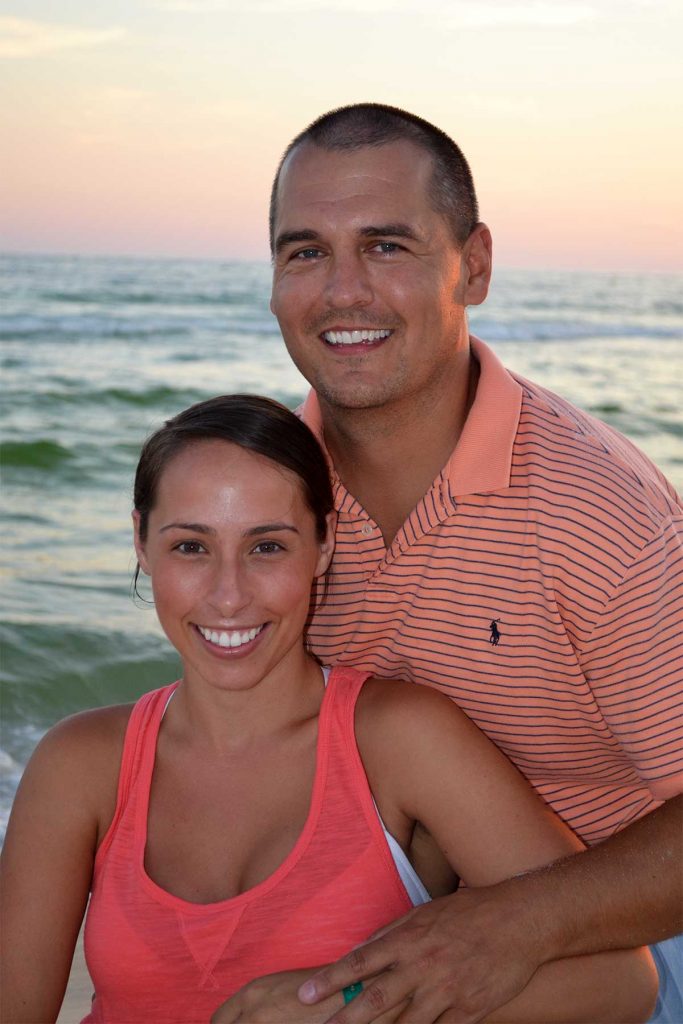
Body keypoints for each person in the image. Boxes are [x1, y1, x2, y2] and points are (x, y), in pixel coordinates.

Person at [0, 396, 658, 1024]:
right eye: (191, 546)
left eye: (267, 546)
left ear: (323, 546)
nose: (228, 596)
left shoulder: (399, 741)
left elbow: (616, 986)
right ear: (141, 544)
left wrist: (349, 1008)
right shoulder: (80, 764)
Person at [259, 103, 682, 1024]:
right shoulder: (264, 503)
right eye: (305, 251)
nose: (342, 292)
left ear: (474, 266)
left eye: (386, 247)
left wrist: (507, 925)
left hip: (628, 926)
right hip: (402, 906)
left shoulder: (598, 511)